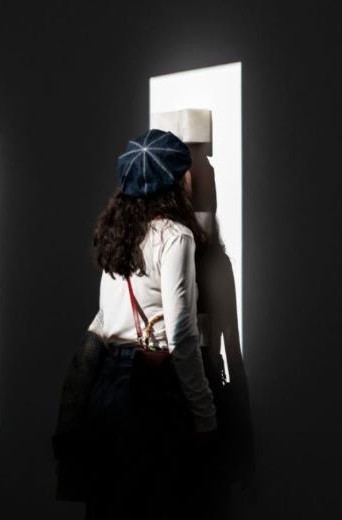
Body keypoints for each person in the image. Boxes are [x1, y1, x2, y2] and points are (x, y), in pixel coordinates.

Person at [84, 128, 218, 519]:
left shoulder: (117, 234)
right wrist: (205, 414)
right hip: (150, 389)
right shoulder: (175, 237)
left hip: (107, 386)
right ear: (175, 181)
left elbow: (106, 317)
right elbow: (181, 335)